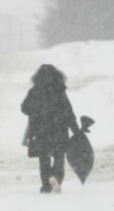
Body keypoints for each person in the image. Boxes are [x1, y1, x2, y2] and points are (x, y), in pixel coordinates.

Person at [21, 64, 80, 194]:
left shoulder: (35, 91)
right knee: (59, 157)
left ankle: (45, 185)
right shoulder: (59, 90)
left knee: (44, 159)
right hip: (59, 129)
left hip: (40, 131)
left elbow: (24, 108)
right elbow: (68, 111)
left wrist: (37, 111)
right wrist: (75, 129)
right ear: (57, 75)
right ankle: (56, 177)